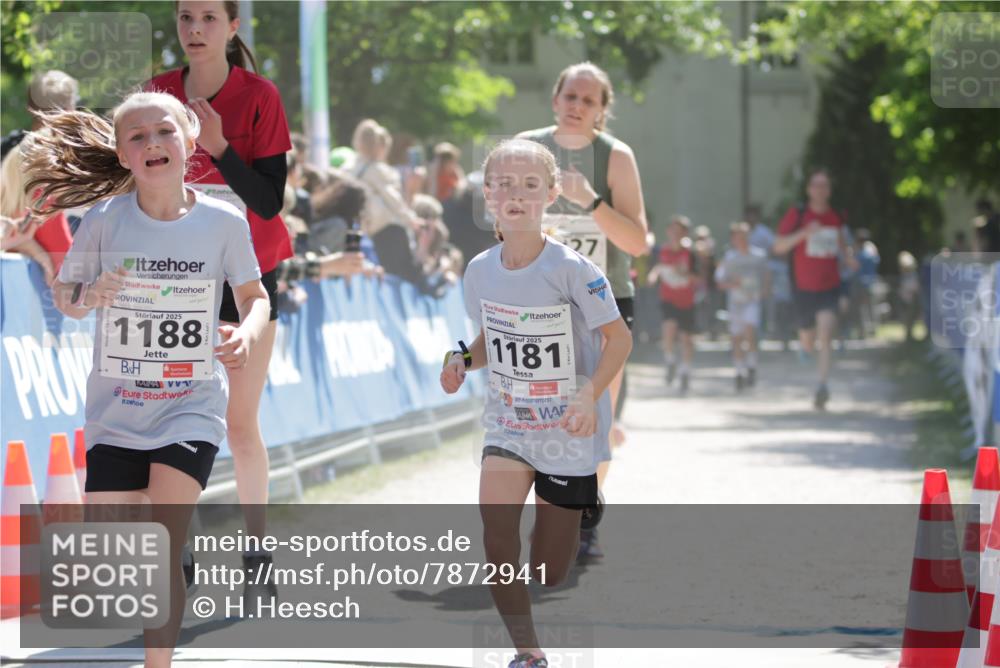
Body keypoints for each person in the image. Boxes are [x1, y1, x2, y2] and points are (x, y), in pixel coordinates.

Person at [24, 90, 269, 668]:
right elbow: (66, 297)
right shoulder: (104, 220)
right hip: (116, 411)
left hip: (190, 401)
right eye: (137, 136)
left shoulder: (223, 221)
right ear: (122, 153)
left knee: (159, 545)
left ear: (188, 141)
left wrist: (245, 333)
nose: (153, 143)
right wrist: (91, 293)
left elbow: (254, 296)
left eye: (164, 131)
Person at [440, 139, 631, 668]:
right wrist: (460, 359)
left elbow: (620, 340)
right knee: (497, 534)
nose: (516, 195)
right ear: (488, 195)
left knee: (550, 570)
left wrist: (589, 396)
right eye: (503, 184)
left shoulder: (572, 269)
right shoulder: (479, 270)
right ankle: (528, 651)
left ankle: (581, 502)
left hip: (568, 426)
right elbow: (486, 338)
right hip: (509, 422)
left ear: (550, 195)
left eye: (529, 185)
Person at [147, 0, 293, 597]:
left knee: (238, 424)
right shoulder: (158, 92)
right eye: (185, 18)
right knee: (167, 419)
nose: (195, 30)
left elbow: (268, 202)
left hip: (247, 278)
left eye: (209, 18)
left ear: (233, 27)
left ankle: (256, 550)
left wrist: (218, 146)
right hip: (174, 278)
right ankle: (176, 551)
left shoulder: (259, 96)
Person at [517, 61, 648, 558]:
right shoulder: (528, 149)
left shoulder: (615, 157)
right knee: (538, 418)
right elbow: (500, 219)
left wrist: (591, 202)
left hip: (603, 306)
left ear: (601, 112)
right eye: (570, 96)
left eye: (588, 100)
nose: (576, 106)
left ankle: (584, 516)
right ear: (555, 99)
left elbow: (636, 240)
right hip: (539, 305)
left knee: (593, 414)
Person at [773, 168, 857, 410]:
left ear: (829, 191)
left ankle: (822, 385)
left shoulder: (836, 217)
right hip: (802, 289)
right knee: (808, 338)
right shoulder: (798, 214)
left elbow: (842, 245)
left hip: (829, 287)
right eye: (816, 185)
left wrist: (849, 258)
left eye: (824, 186)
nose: (820, 190)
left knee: (826, 332)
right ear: (809, 189)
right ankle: (805, 346)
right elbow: (779, 247)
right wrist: (803, 233)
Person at [715, 222, 770, 390]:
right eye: (738, 236)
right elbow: (719, 282)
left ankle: (752, 366)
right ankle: (739, 371)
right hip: (736, 303)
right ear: (733, 238)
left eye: (744, 235)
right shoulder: (729, 258)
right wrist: (734, 284)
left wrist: (764, 291)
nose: (741, 239)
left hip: (752, 301)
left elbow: (766, 276)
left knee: (750, 332)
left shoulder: (759, 256)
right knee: (736, 338)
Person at [648, 215, 698, 392]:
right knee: (668, 329)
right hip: (668, 298)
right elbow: (658, 266)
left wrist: (684, 274)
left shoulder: (691, 253)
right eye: (673, 230)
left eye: (679, 231)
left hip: (687, 300)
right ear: (668, 231)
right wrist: (653, 276)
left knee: (686, 339)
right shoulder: (662, 251)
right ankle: (670, 361)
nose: (675, 234)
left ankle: (685, 371)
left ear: (685, 233)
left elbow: (699, 278)